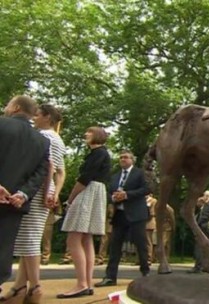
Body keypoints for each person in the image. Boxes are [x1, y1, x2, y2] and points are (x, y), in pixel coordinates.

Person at [7, 104, 66, 303]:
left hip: (37, 191)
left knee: (30, 240)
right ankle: (19, 287)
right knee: (28, 240)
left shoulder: (46, 137)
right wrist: (54, 193)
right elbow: (61, 171)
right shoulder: (58, 139)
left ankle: (36, 288)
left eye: (38, 115)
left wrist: (44, 193)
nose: (34, 118)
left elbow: (48, 167)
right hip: (46, 190)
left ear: (47, 117)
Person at [0, 96, 50, 299]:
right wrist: (23, 194)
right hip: (14, 203)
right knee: (3, 248)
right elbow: (41, 172)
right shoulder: (41, 140)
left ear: (15, 107)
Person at [56, 126, 110, 299]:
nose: (85, 134)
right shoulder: (102, 154)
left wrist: (70, 198)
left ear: (98, 136)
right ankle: (86, 282)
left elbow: (84, 178)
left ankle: (81, 284)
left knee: (74, 237)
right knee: (86, 238)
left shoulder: (98, 153)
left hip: (88, 192)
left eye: (89, 132)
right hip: (97, 192)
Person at [95, 150, 150, 288]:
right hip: (119, 215)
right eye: (120, 158)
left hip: (136, 214)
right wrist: (113, 198)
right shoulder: (115, 176)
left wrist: (127, 195)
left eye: (125, 157)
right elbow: (107, 192)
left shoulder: (140, 173)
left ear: (132, 160)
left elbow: (147, 189)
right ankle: (110, 277)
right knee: (115, 246)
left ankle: (146, 273)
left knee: (141, 245)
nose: (122, 160)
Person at [187, 192, 209, 273]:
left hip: (204, 229)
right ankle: (206, 267)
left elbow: (204, 218)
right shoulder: (208, 205)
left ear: (207, 197)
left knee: (199, 248)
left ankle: (198, 267)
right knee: (204, 249)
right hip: (205, 229)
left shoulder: (208, 205)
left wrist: (196, 225)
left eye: (204, 195)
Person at [145, 193, 158, 265]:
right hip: (143, 221)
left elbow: (152, 212)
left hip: (150, 221)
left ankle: (149, 258)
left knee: (148, 241)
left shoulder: (153, 201)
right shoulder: (144, 200)